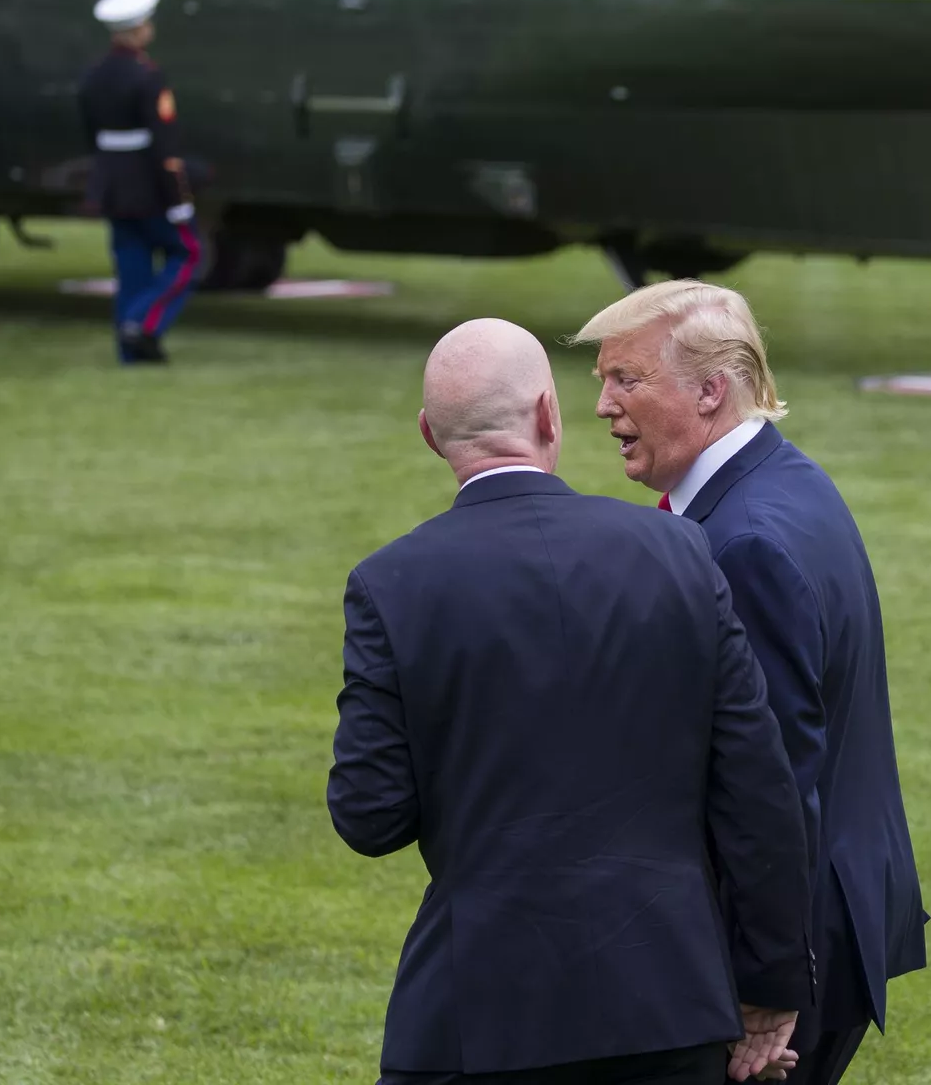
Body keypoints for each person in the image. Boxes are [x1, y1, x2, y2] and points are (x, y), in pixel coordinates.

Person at [327, 318, 816, 1085]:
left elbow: (369, 813)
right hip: (669, 1002)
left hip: (479, 1012)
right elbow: (758, 791)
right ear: (549, 413)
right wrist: (772, 985)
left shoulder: (393, 584)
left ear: (431, 435)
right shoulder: (677, 553)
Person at [574, 282, 929, 1085]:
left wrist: (768, 985)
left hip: (786, 957)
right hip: (825, 917)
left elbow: (770, 780)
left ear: (709, 390)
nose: (602, 405)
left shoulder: (745, 548)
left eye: (626, 379)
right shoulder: (783, 484)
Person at [76, 0, 199, 365]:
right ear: (139, 29)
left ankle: (130, 352)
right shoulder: (148, 76)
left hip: (111, 181)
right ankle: (141, 323)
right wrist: (179, 198)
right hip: (147, 183)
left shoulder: (95, 74)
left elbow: (89, 130)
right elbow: (164, 147)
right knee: (190, 254)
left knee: (132, 266)